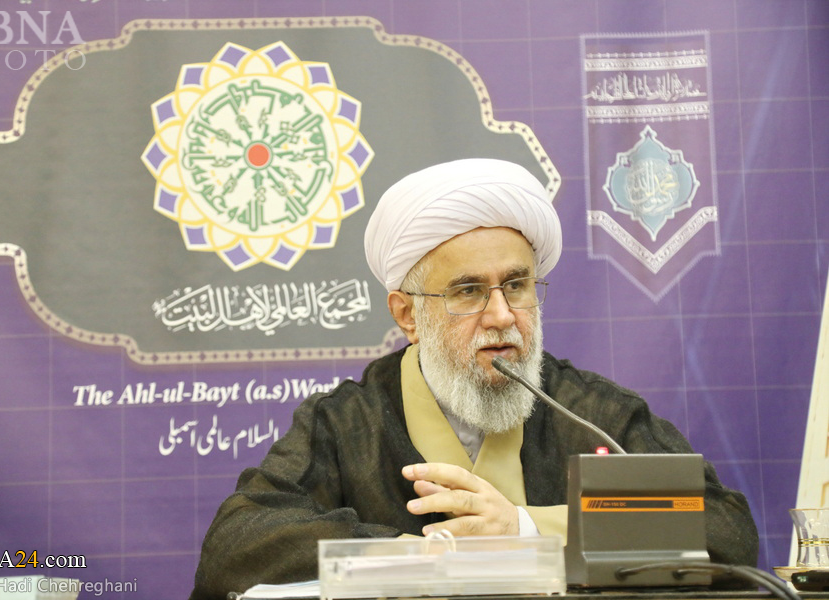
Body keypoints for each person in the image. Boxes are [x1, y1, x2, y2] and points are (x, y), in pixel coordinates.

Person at [189, 158, 758, 600]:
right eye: (467, 291)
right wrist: (427, 555)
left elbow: (725, 530)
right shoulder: (346, 423)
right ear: (408, 315)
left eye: (517, 285)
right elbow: (235, 546)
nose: (502, 315)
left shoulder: (590, 411)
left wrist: (524, 529)